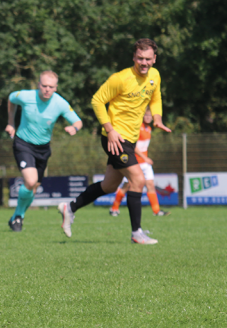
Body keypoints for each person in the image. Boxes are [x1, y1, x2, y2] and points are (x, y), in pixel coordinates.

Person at [58, 38, 170, 244]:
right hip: (115, 138)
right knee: (138, 180)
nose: (143, 63)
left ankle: (70, 207)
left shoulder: (155, 76)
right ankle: (137, 233)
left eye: (147, 59)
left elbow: (156, 98)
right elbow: (97, 100)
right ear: (133, 57)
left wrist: (157, 118)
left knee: (110, 185)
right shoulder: (120, 78)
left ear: (154, 59)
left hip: (131, 139)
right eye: (139, 58)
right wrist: (109, 130)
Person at [5, 71, 82, 232]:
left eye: (51, 87)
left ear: (56, 88)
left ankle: (17, 217)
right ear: (38, 85)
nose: (47, 89)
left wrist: (74, 128)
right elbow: (11, 99)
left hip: (43, 148)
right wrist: (11, 122)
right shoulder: (26, 96)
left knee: (33, 187)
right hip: (23, 143)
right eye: (44, 85)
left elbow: (78, 121)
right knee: (31, 181)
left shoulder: (60, 103)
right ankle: (19, 216)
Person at [109, 107, 169, 217]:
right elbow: (134, 146)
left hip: (145, 163)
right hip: (135, 162)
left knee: (150, 184)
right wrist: (145, 158)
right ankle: (114, 208)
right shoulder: (137, 128)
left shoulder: (149, 129)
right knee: (127, 185)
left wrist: (145, 159)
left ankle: (156, 211)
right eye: (146, 115)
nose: (148, 117)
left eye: (150, 116)